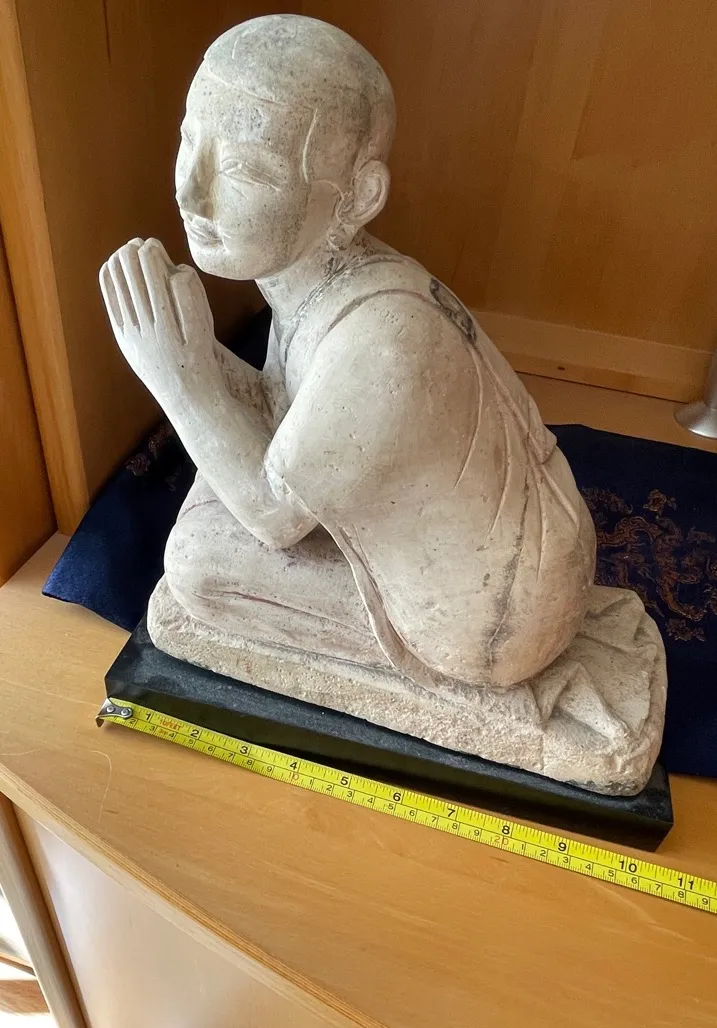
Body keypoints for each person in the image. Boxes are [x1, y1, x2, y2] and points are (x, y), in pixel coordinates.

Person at [100, 15, 595, 692]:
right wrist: (190, 354)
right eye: (190, 139)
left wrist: (178, 376)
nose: (191, 189)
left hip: (488, 621)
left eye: (243, 168)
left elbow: (274, 516)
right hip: (487, 552)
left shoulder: (383, 339)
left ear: (358, 196)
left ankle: (424, 669)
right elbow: (280, 407)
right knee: (217, 471)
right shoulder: (314, 284)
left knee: (194, 562)